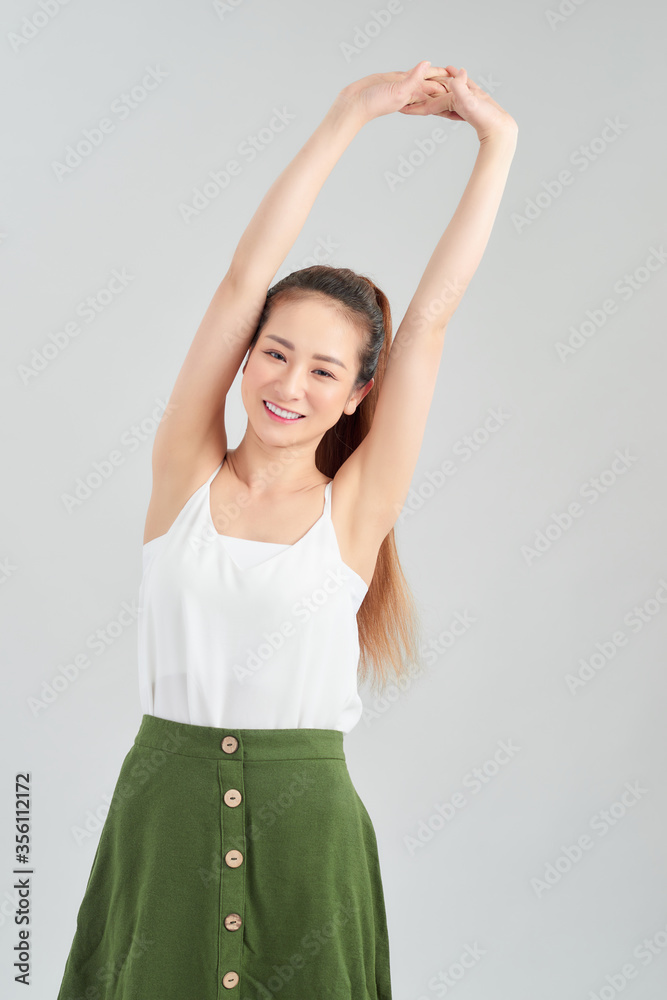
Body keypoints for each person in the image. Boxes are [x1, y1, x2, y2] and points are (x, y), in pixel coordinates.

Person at [56, 60, 518, 1000]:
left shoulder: (353, 512)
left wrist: (495, 143)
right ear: (242, 361)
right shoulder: (183, 477)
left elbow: (427, 321)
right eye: (273, 352)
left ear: (357, 395)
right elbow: (238, 282)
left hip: (310, 834)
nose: (287, 385)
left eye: (321, 370)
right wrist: (349, 112)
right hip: (164, 821)